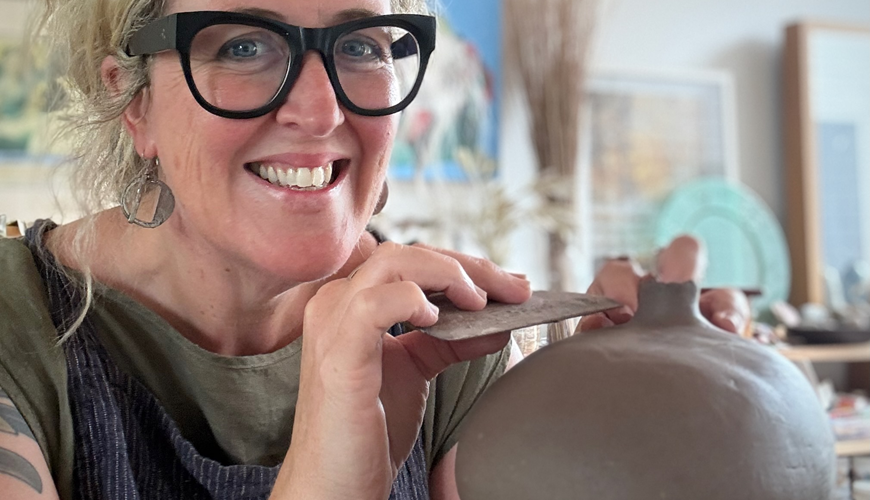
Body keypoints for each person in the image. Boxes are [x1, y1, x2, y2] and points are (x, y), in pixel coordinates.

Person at [0, 1, 749, 500]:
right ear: (136, 103)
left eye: (360, 45)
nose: (322, 109)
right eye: (244, 45)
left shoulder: (448, 339)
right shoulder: (15, 329)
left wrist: (622, 428)